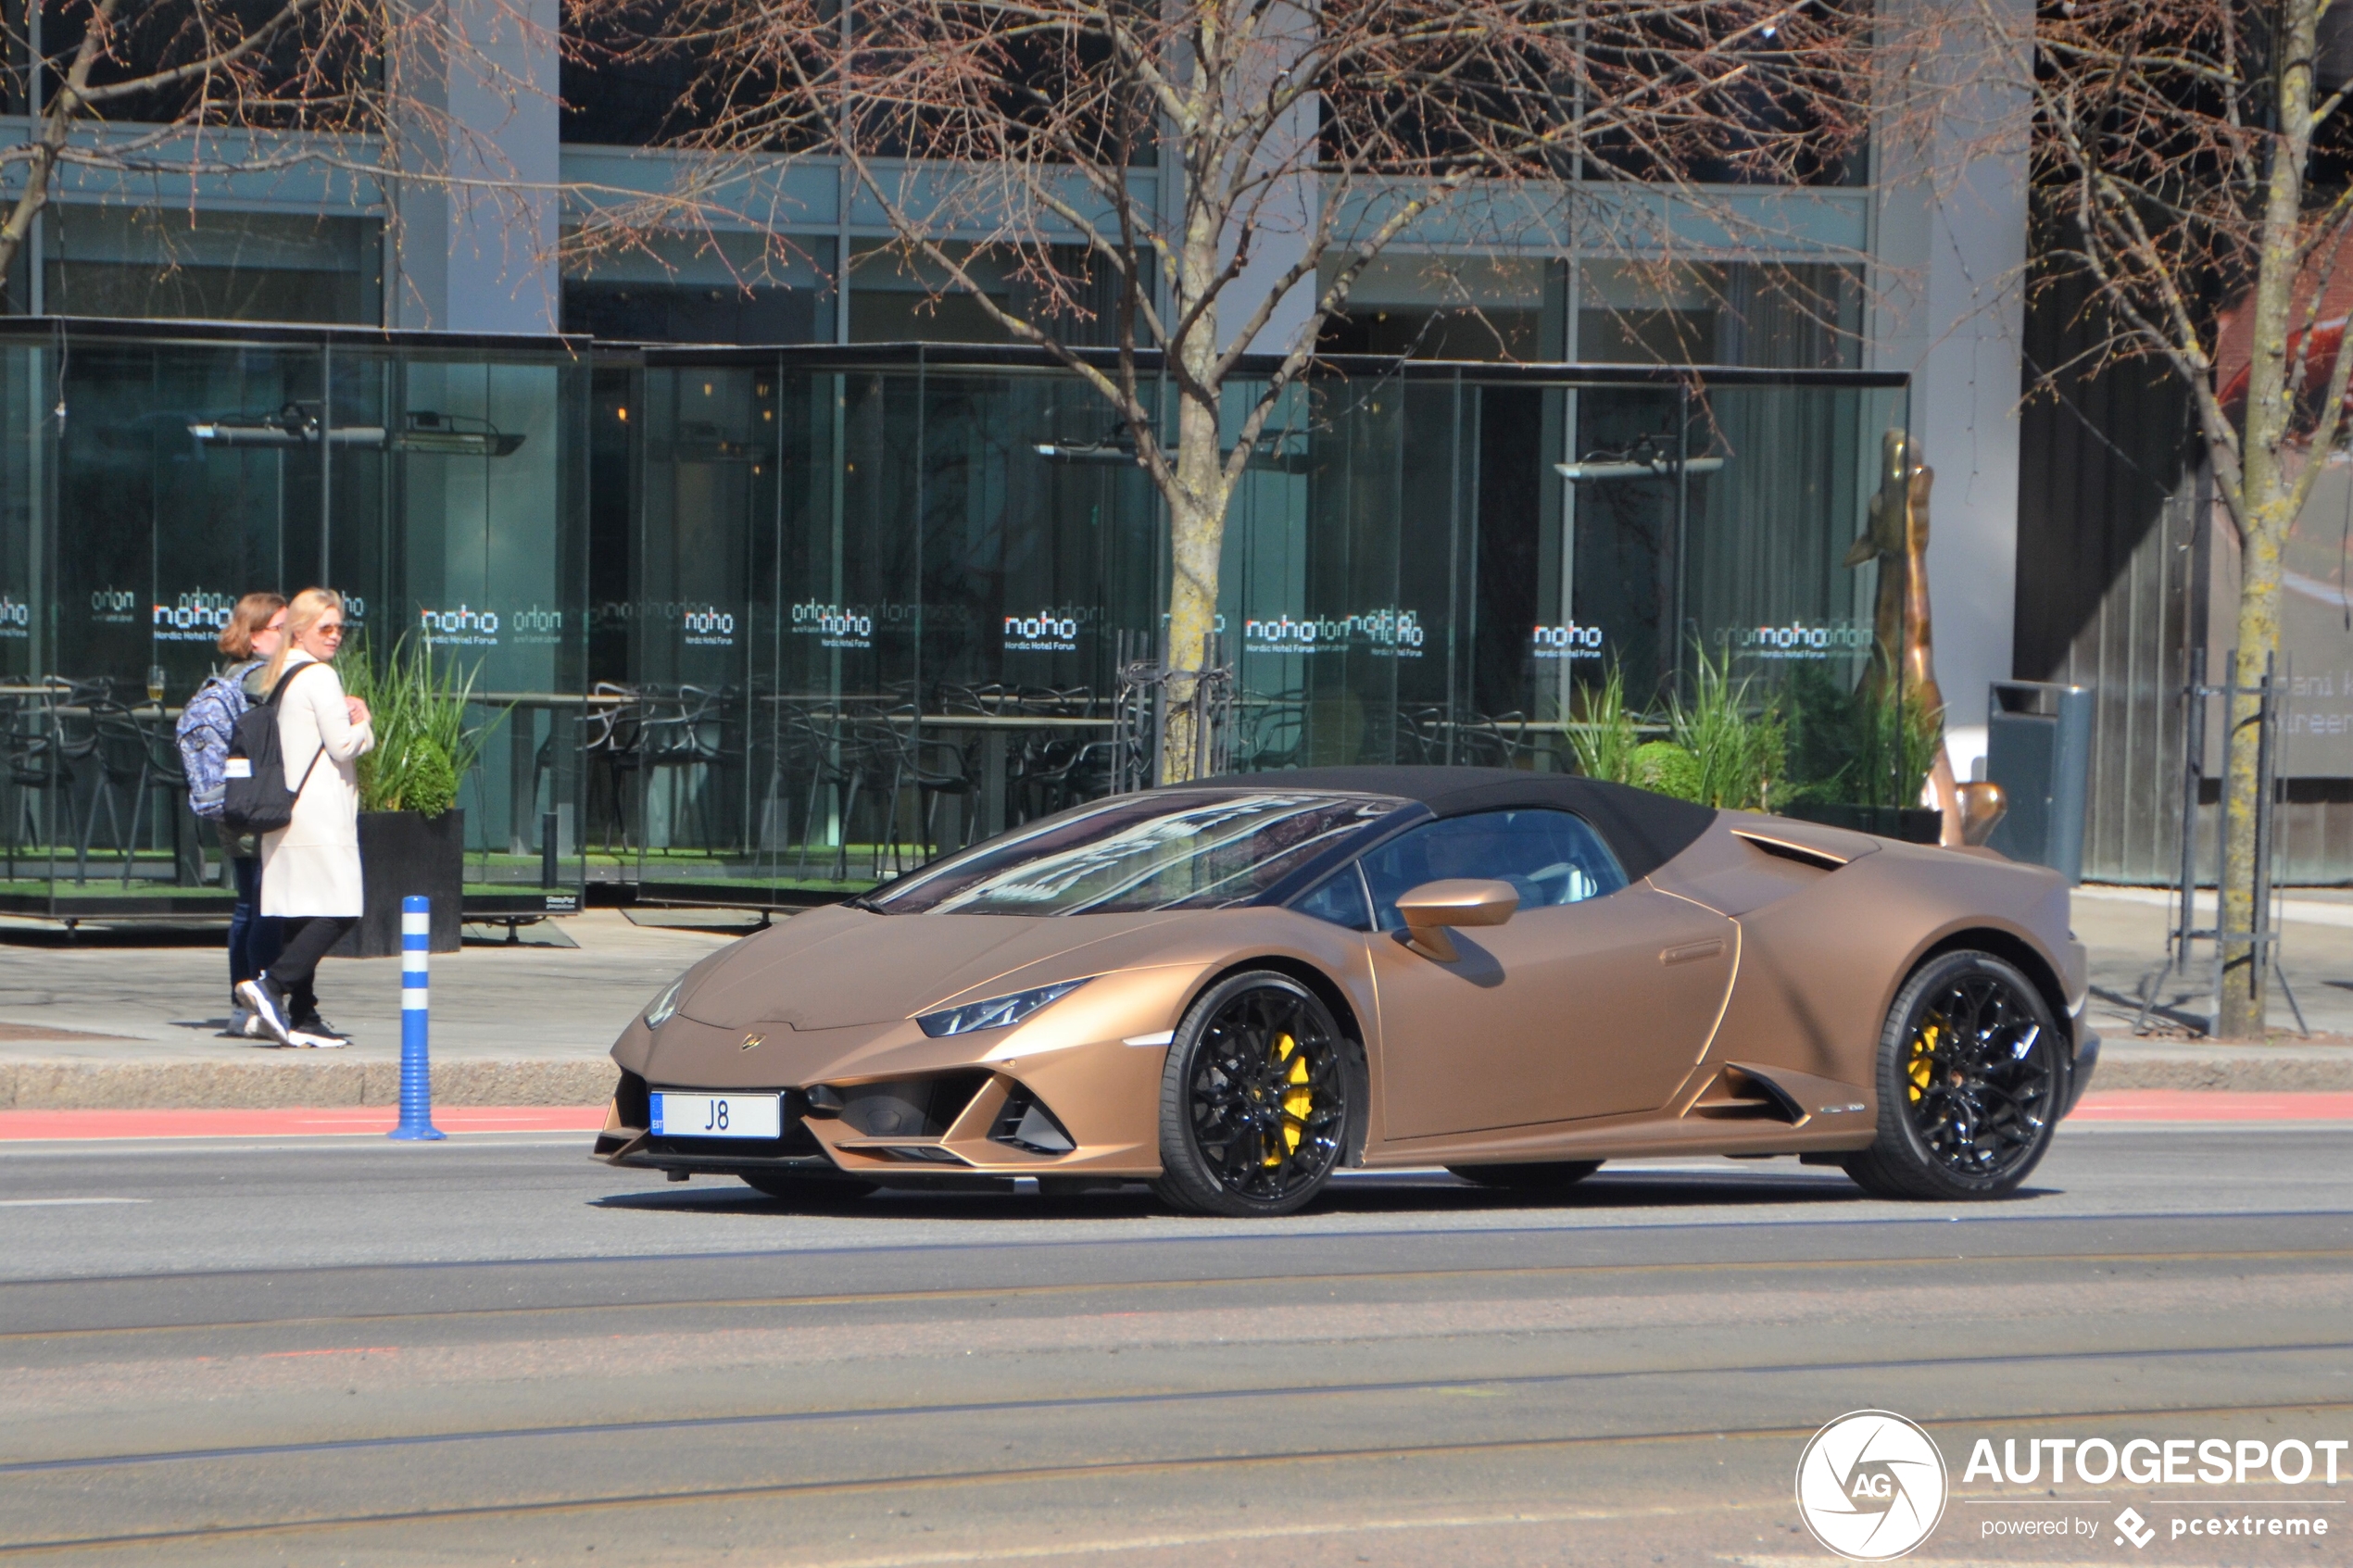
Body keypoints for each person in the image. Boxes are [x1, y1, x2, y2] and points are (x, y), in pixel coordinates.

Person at [236, 588, 373, 1049]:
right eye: (325, 628)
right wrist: (364, 722)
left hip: (284, 814)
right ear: (300, 630)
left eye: (339, 628)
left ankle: (303, 1014)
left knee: (300, 915)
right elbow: (343, 746)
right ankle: (273, 985)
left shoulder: (281, 674)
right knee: (342, 910)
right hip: (319, 817)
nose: (335, 637)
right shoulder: (319, 677)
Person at [175, 592, 289, 1037]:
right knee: (265, 906)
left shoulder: (226, 680)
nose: (288, 638)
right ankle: (260, 995)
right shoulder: (262, 683)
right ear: (256, 635)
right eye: (282, 629)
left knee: (248, 904)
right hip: (262, 807)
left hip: (233, 807)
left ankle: (240, 1002)